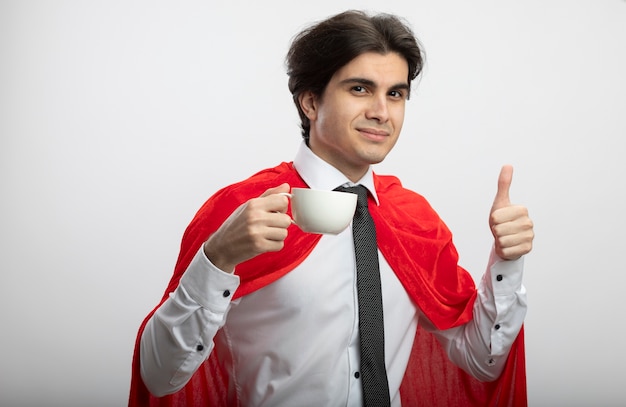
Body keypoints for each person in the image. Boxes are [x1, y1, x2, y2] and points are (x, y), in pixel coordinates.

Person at [129, 9, 534, 407]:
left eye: (395, 94)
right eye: (359, 89)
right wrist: (217, 258)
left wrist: (507, 261)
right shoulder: (245, 210)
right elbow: (160, 376)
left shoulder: (414, 219)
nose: (381, 111)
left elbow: (481, 360)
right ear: (310, 101)